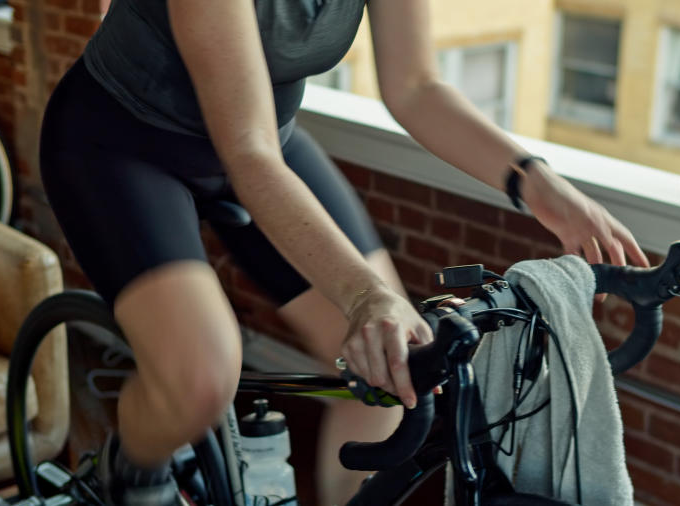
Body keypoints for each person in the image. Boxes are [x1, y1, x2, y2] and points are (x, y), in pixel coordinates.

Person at [39, 1, 649, 504]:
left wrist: (541, 185)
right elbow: (246, 152)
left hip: (263, 143)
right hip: (120, 145)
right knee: (201, 378)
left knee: (392, 368)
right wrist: (364, 294)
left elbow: (415, 86)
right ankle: (131, 470)